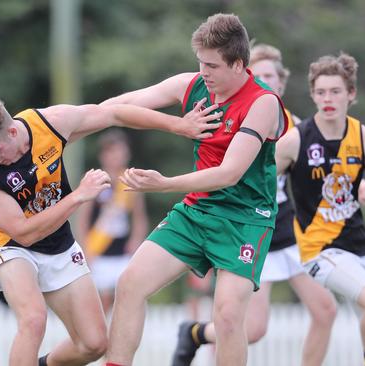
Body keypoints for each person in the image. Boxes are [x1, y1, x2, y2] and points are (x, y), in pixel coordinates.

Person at [0, 92, 219, 366]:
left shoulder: (51, 123)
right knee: (33, 320)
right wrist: (79, 195)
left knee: (93, 343)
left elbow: (114, 112)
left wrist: (178, 125)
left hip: (58, 242)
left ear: (11, 131)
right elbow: (24, 232)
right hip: (12, 246)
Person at [102, 14, 289, 366]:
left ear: (238, 64)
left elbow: (229, 173)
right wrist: (66, 121)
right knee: (130, 284)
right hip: (197, 212)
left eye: (212, 65)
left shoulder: (263, 102)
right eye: (200, 62)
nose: (203, 72)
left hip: (245, 220)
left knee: (230, 317)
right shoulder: (192, 85)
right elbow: (120, 106)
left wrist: (164, 185)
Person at [170, 43, 339, 366]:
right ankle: (195, 333)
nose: (264, 81)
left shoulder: (296, 125)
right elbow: (231, 171)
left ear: (281, 83)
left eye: (270, 76)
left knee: (326, 309)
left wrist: (359, 183)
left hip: (288, 225)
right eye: (257, 75)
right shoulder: (235, 114)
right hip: (251, 225)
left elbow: (326, 170)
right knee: (252, 329)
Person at [275, 52, 365, 366]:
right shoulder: (296, 141)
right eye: (320, 92)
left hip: (358, 246)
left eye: (335, 91)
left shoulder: (363, 137)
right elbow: (257, 183)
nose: (328, 98)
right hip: (318, 250)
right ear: (312, 95)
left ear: (351, 94)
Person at [75, 129, 149, 314]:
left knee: (125, 298)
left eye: (121, 151)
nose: (118, 156)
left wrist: (136, 242)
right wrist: (85, 250)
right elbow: (82, 220)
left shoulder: (130, 181)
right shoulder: (96, 180)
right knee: (101, 301)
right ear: (104, 155)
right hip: (98, 249)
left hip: (122, 250)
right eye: (113, 151)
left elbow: (139, 218)